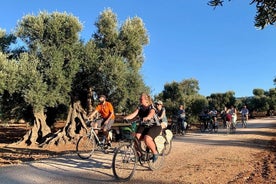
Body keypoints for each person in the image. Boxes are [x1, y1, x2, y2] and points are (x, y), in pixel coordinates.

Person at [124, 92, 162, 162]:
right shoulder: (140, 107)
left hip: (155, 126)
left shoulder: (151, 106)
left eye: (141, 99)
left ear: (146, 100)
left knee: (147, 139)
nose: (140, 100)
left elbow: (152, 113)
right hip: (144, 125)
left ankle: (155, 153)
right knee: (135, 138)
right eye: (139, 99)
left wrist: (148, 117)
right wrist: (126, 118)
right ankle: (140, 155)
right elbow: (134, 114)